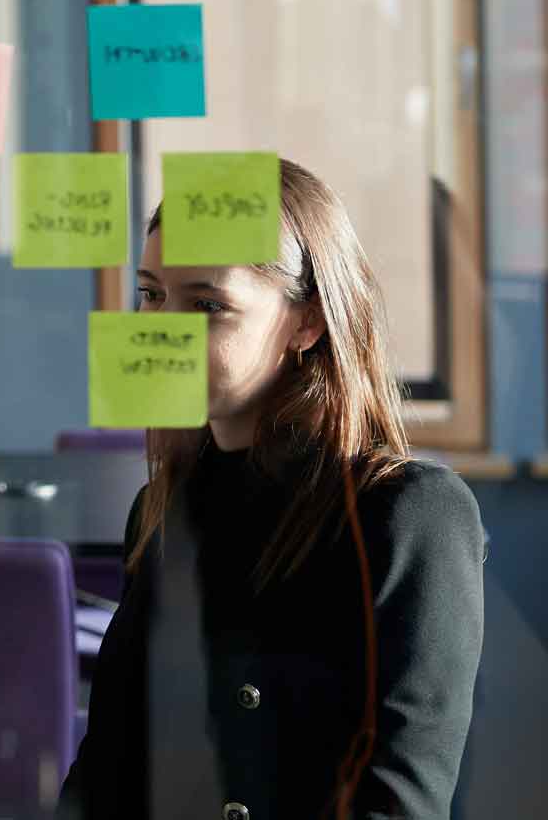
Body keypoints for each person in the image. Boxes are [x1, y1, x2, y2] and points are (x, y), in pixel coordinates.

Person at [61, 158, 485, 819]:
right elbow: (108, 766)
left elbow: (399, 795)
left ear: (306, 323)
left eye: (207, 305)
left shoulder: (409, 511)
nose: (163, 329)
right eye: (151, 294)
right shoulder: (161, 509)